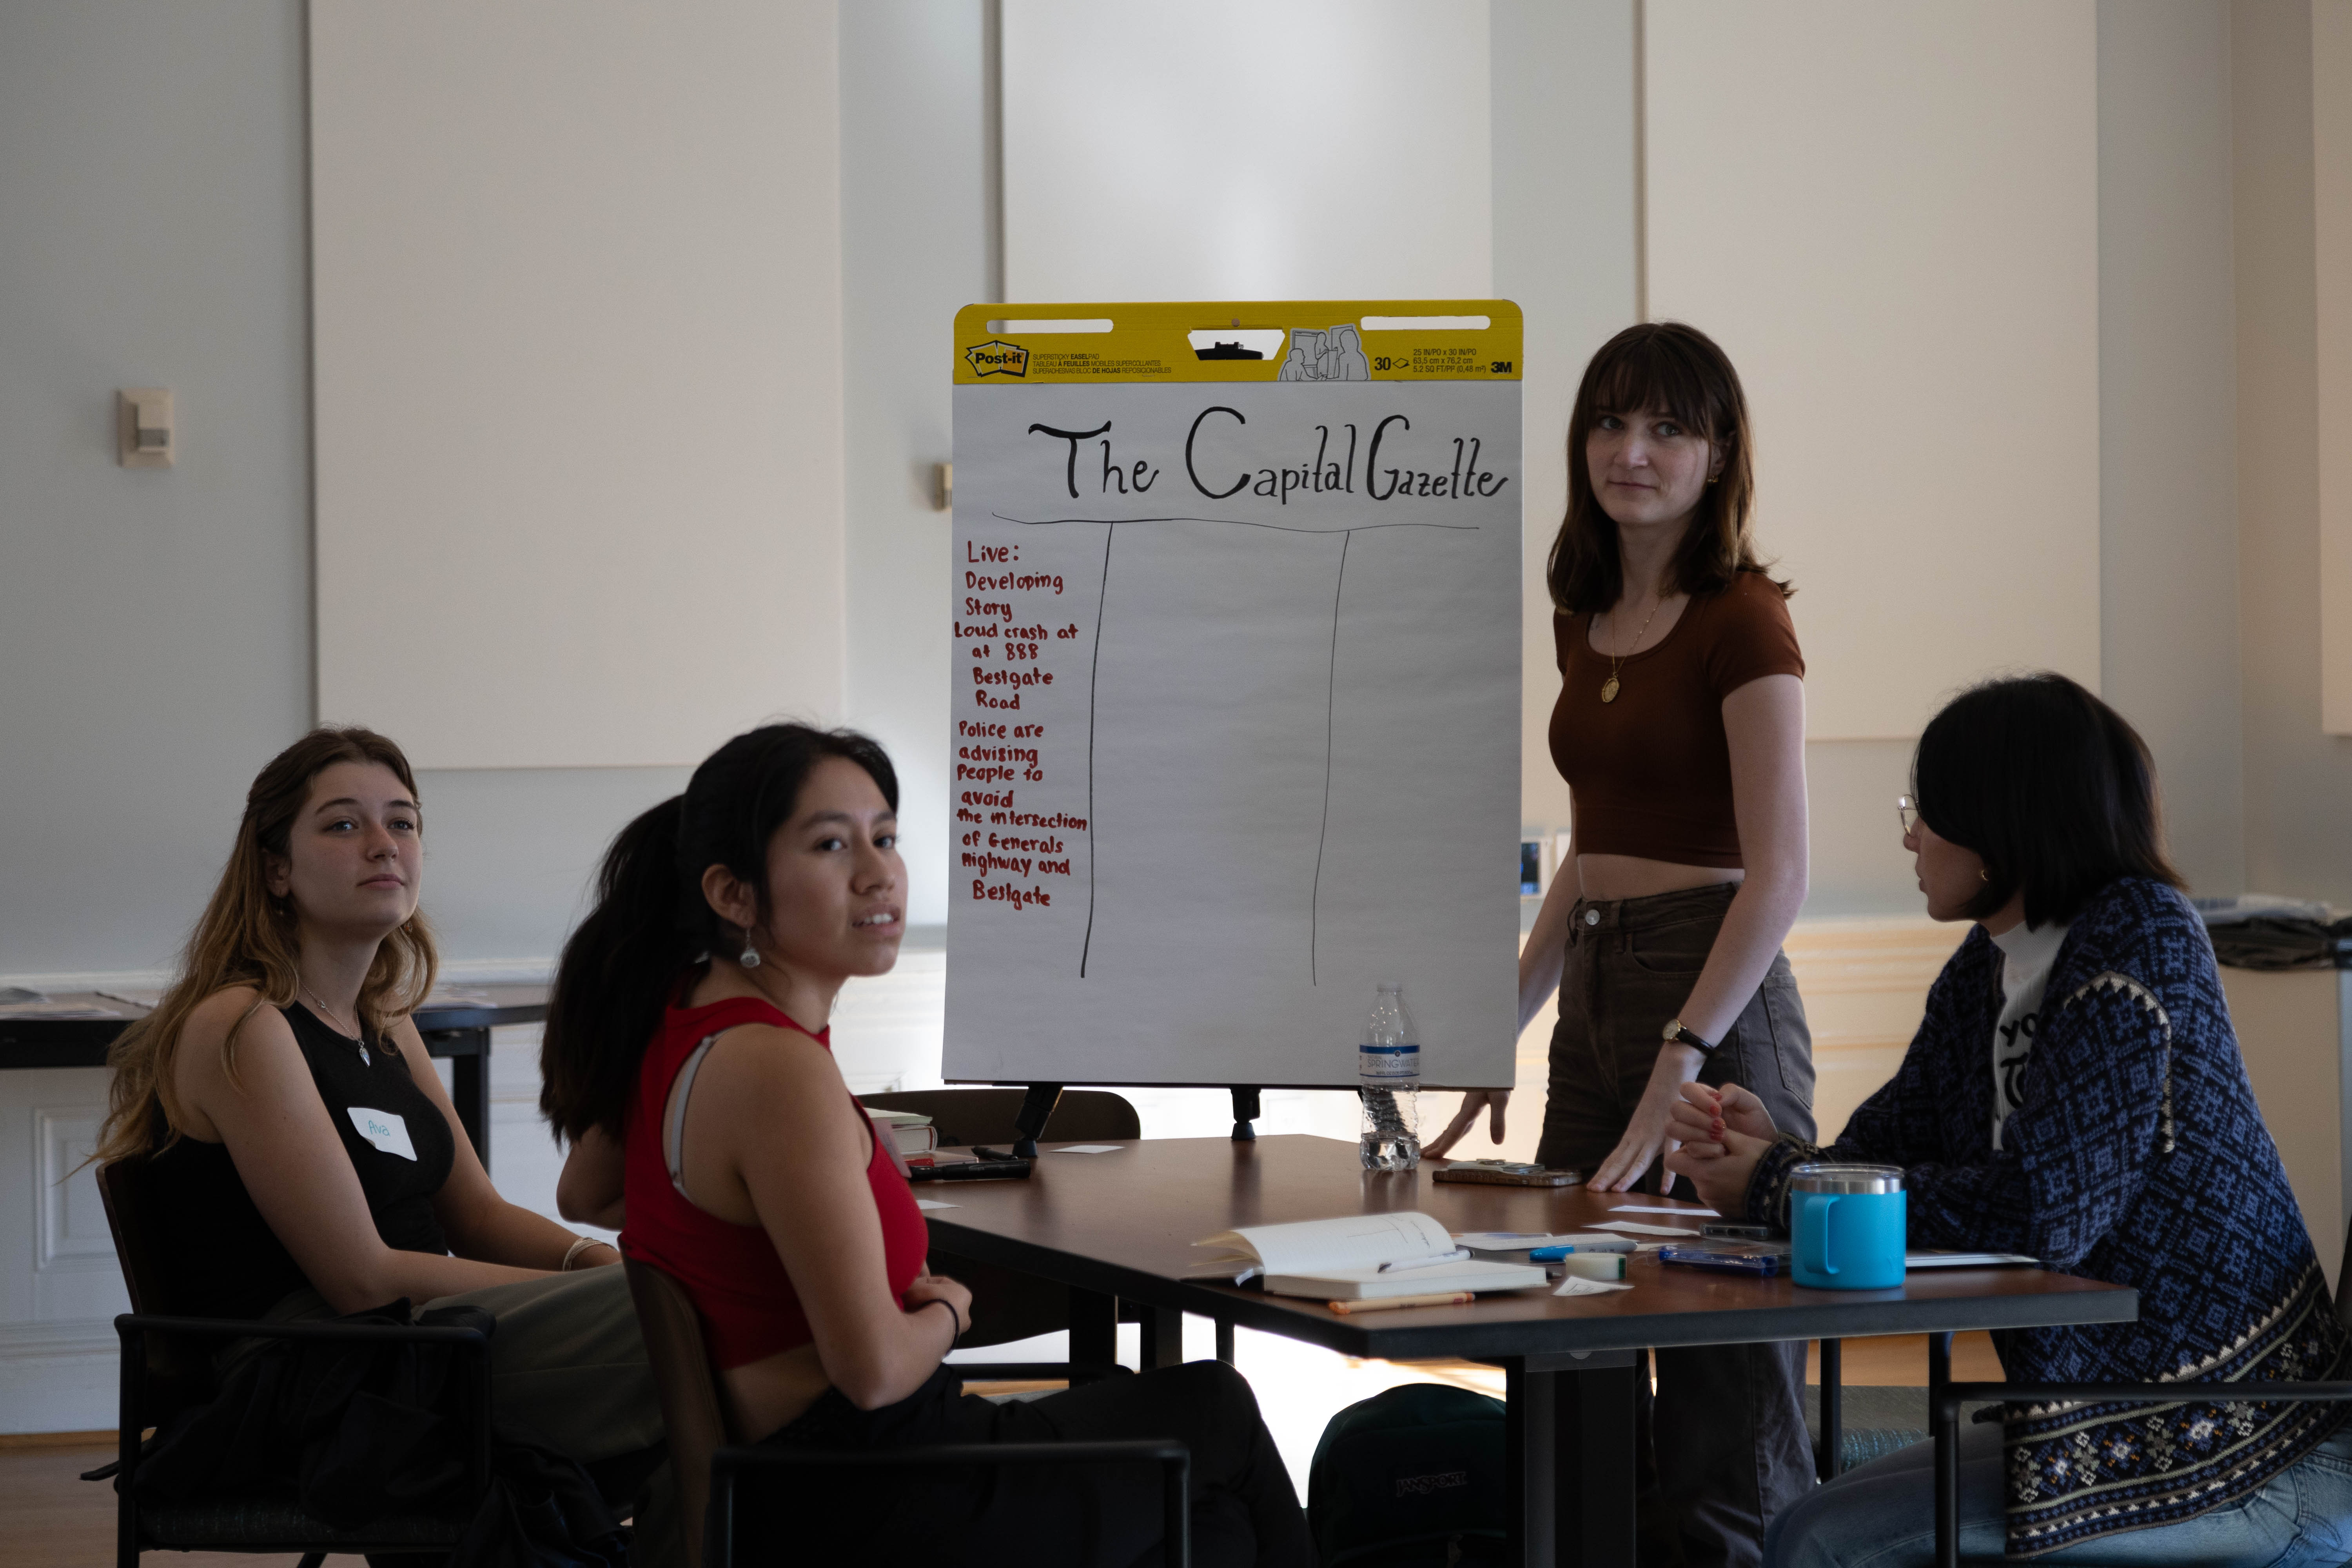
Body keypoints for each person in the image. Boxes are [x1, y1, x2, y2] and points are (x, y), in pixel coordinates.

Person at [540, 722, 1310, 1564]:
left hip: (791, 1488)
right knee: (1218, 1409)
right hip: (875, 1496)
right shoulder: (774, 1069)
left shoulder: (683, 1023)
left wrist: (803, 1179)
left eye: (886, 837)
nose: (879, 873)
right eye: (832, 844)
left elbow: (590, 1191)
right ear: (734, 893)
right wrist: (948, 1308)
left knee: (1216, 1529)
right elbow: (872, 1371)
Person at [1667, 673, 2352, 1566]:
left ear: (1999, 824)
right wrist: (1780, 1150)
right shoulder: (1986, 965)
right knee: (1802, 1524)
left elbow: (2043, 1213)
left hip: (2242, 1444)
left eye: (1926, 809)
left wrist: (1778, 1178)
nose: (1910, 834)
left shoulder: (2138, 938)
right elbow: (1885, 1148)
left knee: (1820, 1542)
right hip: (2106, 1423)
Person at [1425, 319, 1817, 1564]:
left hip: (1714, 986)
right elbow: (1589, 858)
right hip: (1601, 979)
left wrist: (1684, 1054)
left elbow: (1782, 873)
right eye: (1608, 421)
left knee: (1721, 1360)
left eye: (1665, 427)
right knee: (1567, 1321)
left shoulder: (1745, 619)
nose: (1628, 451)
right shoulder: (1581, 612)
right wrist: (1512, 1013)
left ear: (1717, 455)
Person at [90, 726, 673, 1555]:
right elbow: (360, 1277)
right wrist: (599, 1290)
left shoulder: (386, 1020)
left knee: (689, 1303)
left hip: (425, 1338)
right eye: (342, 824)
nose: (383, 844)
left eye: (402, 822)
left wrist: (591, 1262)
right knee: (692, 1311)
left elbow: (475, 1211)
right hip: (330, 1368)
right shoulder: (244, 1022)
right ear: (277, 868)